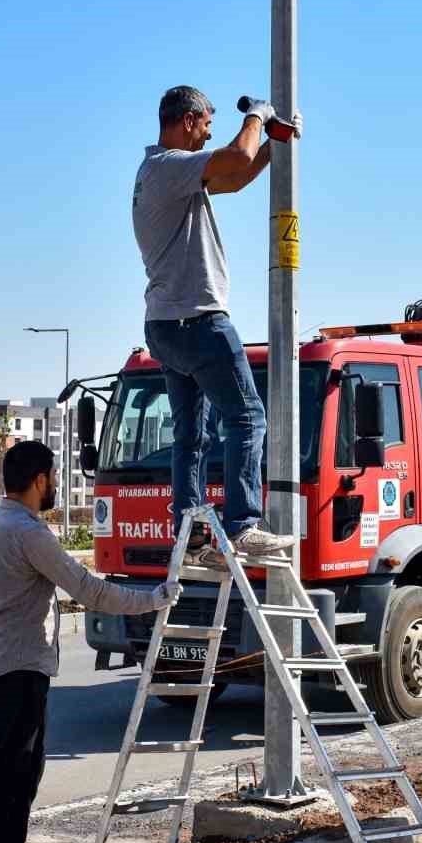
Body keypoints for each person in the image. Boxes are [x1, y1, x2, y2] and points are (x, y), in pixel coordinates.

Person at [0, 440, 181, 843]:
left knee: (22, 767)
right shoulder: (28, 532)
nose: (57, 486)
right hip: (17, 663)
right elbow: (89, 590)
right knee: (11, 769)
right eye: (54, 477)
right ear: (39, 480)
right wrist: (155, 598)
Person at [132, 85, 297, 565]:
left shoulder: (162, 174)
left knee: (193, 436)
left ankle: (192, 532)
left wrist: (273, 147)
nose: (207, 132)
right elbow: (234, 153)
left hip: (165, 326)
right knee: (248, 418)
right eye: (205, 123)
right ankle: (243, 525)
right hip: (198, 321)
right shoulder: (167, 166)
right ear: (187, 120)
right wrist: (259, 117)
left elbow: (235, 174)